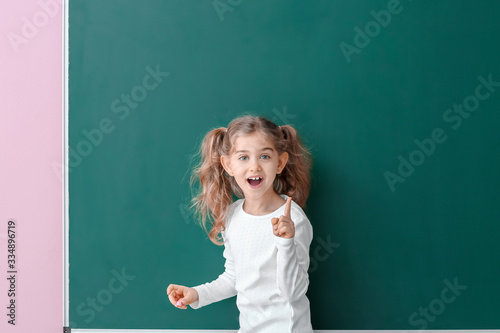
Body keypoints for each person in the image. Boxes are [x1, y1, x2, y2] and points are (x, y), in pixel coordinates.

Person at [166, 114, 314, 332]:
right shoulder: (233, 215)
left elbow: (293, 292)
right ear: (228, 165)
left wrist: (286, 243)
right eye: (243, 158)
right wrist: (197, 294)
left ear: (280, 163)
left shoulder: (293, 221)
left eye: (264, 156)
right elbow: (234, 278)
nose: (254, 166)